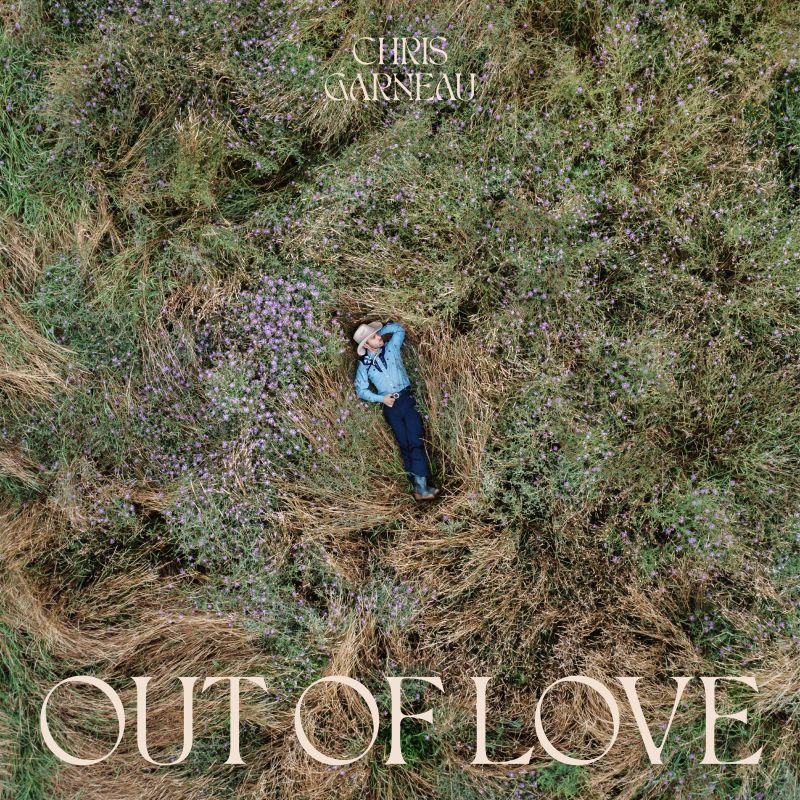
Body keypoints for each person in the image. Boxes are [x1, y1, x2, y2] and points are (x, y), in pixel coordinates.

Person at [352, 320, 439, 501]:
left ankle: (422, 487)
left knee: (415, 440)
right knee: (405, 445)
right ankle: (419, 488)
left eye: (377, 335)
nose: (378, 338)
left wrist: (380, 329)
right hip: (390, 406)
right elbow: (361, 390)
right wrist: (381, 399)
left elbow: (399, 330)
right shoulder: (364, 365)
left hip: (406, 399)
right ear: (366, 345)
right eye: (373, 337)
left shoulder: (391, 348)